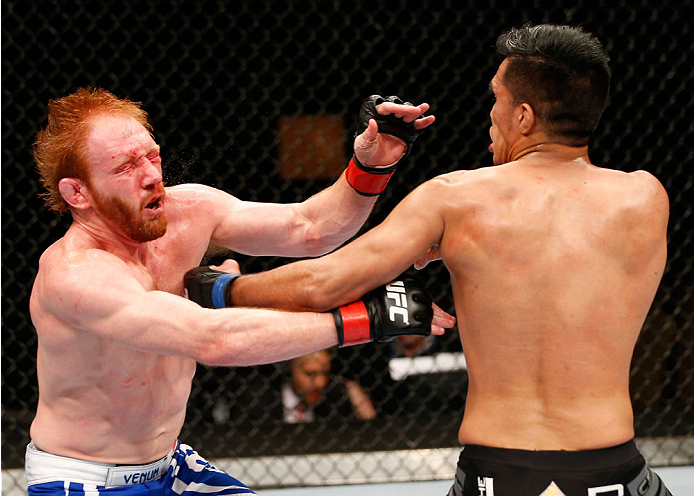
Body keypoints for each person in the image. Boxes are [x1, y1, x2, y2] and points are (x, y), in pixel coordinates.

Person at [189, 24, 672, 495]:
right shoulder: (646, 199)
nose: (490, 116)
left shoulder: (454, 199)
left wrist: (217, 289)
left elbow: (323, 284)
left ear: (523, 117)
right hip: (613, 468)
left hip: (498, 473)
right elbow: (561, 242)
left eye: (496, 100)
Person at [25, 87, 455, 495]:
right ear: (77, 192)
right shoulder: (75, 275)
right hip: (84, 479)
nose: (152, 175)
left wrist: (371, 166)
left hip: (170, 463)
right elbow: (213, 339)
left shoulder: (189, 212)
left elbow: (309, 228)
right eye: (125, 167)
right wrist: (366, 318)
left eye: (152, 157)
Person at [282, 349, 376, 423]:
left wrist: (352, 388)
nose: (320, 383)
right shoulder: (270, 400)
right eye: (310, 374)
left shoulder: (335, 399)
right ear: (290, 368)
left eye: (325, 373)